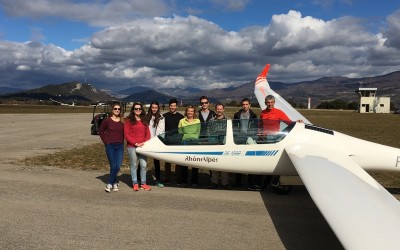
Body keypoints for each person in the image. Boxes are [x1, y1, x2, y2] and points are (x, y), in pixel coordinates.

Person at [232, 98, 259, 189]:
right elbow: (234, 127)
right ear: (241, 105)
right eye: (243, 104)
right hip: (240, 139)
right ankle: (238, 182)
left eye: (246, 104)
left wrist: (253, 138)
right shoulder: (237, 115)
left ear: (249, 105)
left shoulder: (254, 115)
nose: (245, 106)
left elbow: (255, 128)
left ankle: (251, 183)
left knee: (251, 161)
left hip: (250, 139)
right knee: (238, 161)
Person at [124, 102, 151, 191]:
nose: (138, 110)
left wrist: (145, 142)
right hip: (132, 146)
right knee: (134, 165)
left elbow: (148, 133)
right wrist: (135, 143)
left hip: (143, 146)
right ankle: (135, 183)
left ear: (142, 110)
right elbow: (126, 134)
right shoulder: (128, 120)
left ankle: (143, 183)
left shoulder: (144, 120)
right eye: (136, 109)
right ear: (133, 110)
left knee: (143, 165)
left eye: (139, 109)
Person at [99, 103, 125, 193]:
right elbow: (101, 131)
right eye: (115, 108)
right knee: (113, 165)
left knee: (117, 166)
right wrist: (105, 141)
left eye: (119, 109)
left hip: (120, 146)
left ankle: (109, 183)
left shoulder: (123, 121)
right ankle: (113, 183)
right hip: (110, 145)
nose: (117, 110)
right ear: (112, 110)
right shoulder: (107, 120)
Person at [193, 96, 216, 186]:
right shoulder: (197, 114)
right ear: (200, 104)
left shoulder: (213, 114)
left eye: (205, 102)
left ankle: (212, 180)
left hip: (210, 139)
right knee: (196, 159)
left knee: (211, 159)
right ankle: (194, 180)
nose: (204, 104)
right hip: (199, 138)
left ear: (208, 103)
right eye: (202, 103)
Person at [208, 103, 230, 189]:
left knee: (224, 165)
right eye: (218, 109)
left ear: (223, 109)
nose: (219, 111)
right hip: (214, 144)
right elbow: (209, 132)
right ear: (215, 109)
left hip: (225, 145)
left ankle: (225, 183)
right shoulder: (211, 120)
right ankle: (214, 182)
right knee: (214, 164)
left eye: (221, 109)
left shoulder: (228, 120)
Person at [163, 98, 184, 184]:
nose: (172, 107)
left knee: (177, 160)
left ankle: (177, 178)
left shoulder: (181, 117)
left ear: (177, 106)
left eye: (174, 105)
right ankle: (167, 178)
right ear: (169, 106)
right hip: (168, 140)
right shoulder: (164, 116)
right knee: (167, 160)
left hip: (177, 140)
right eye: (171, 105)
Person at [144, 101, 165, 188]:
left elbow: (161, 131)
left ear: (158, 108)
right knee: (142, 161)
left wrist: (156, 141)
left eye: (156, 108)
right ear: (150, 108)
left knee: (156, 162)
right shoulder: (146, 117)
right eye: (153, 107)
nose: (154, 109)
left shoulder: (161, 118)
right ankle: (139, 178)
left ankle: (158, 180)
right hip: (146, 141)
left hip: (155, 142)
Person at [178, 105, 201, 186]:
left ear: (194, 112)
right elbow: (180, 132)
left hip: (195, 143)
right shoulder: (182, 121)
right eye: (188, 111)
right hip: (185, 142)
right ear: (186, 111)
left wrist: (195, 140)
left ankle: (194, 181)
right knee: (184, 162)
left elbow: (198, 132)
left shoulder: (197, 121)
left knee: (195, 162)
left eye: (191, 111)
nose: (190, 112)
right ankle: (184, 180)